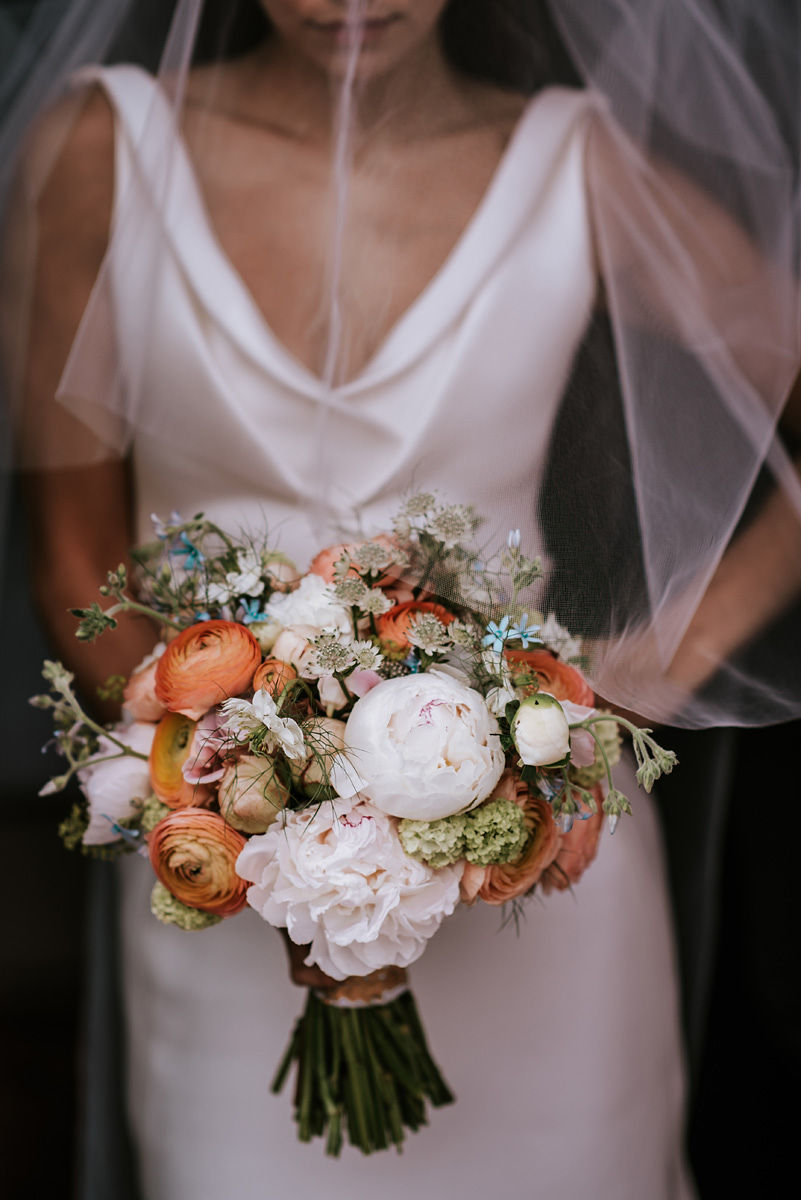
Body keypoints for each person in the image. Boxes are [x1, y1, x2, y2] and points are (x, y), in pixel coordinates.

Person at [2, 2, 800, 1198]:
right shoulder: (100, 151)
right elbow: (77, 556)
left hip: (538, 876)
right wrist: (240, 806)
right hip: (227, 893)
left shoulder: (577, 161)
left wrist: (663, 660)